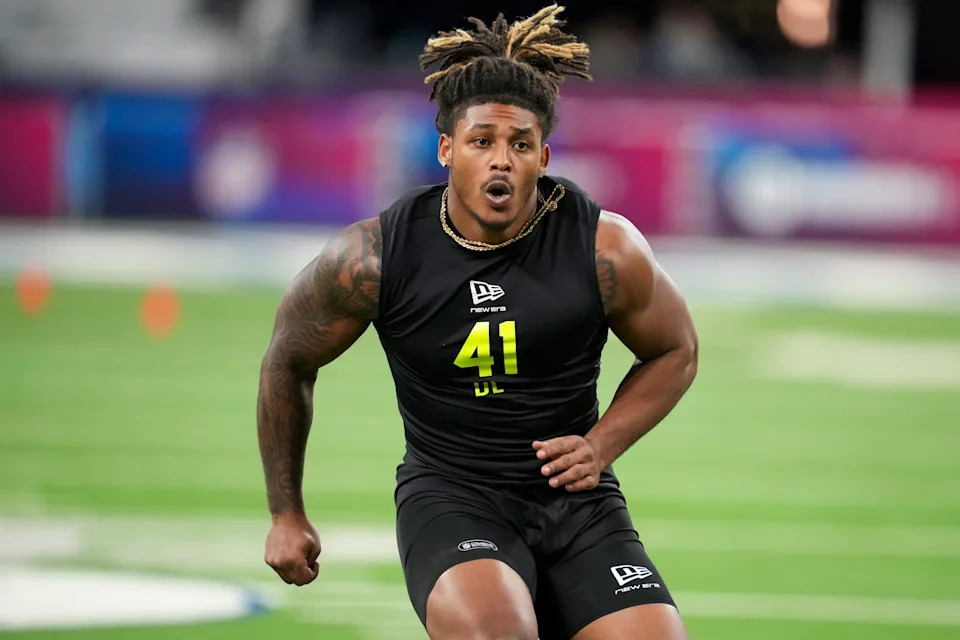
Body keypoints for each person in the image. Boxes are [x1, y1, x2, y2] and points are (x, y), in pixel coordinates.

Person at [257, 4, 698, 639]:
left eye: (520, 145)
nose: (501, 160)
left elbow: (676, 349)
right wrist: (285, 512)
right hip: (453, 498)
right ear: (446, 150)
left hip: (577, 505)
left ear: (543, 156)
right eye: (481, 141)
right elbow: (286, 358)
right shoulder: (375, 257)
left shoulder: (603, 248)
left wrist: (602, 444)